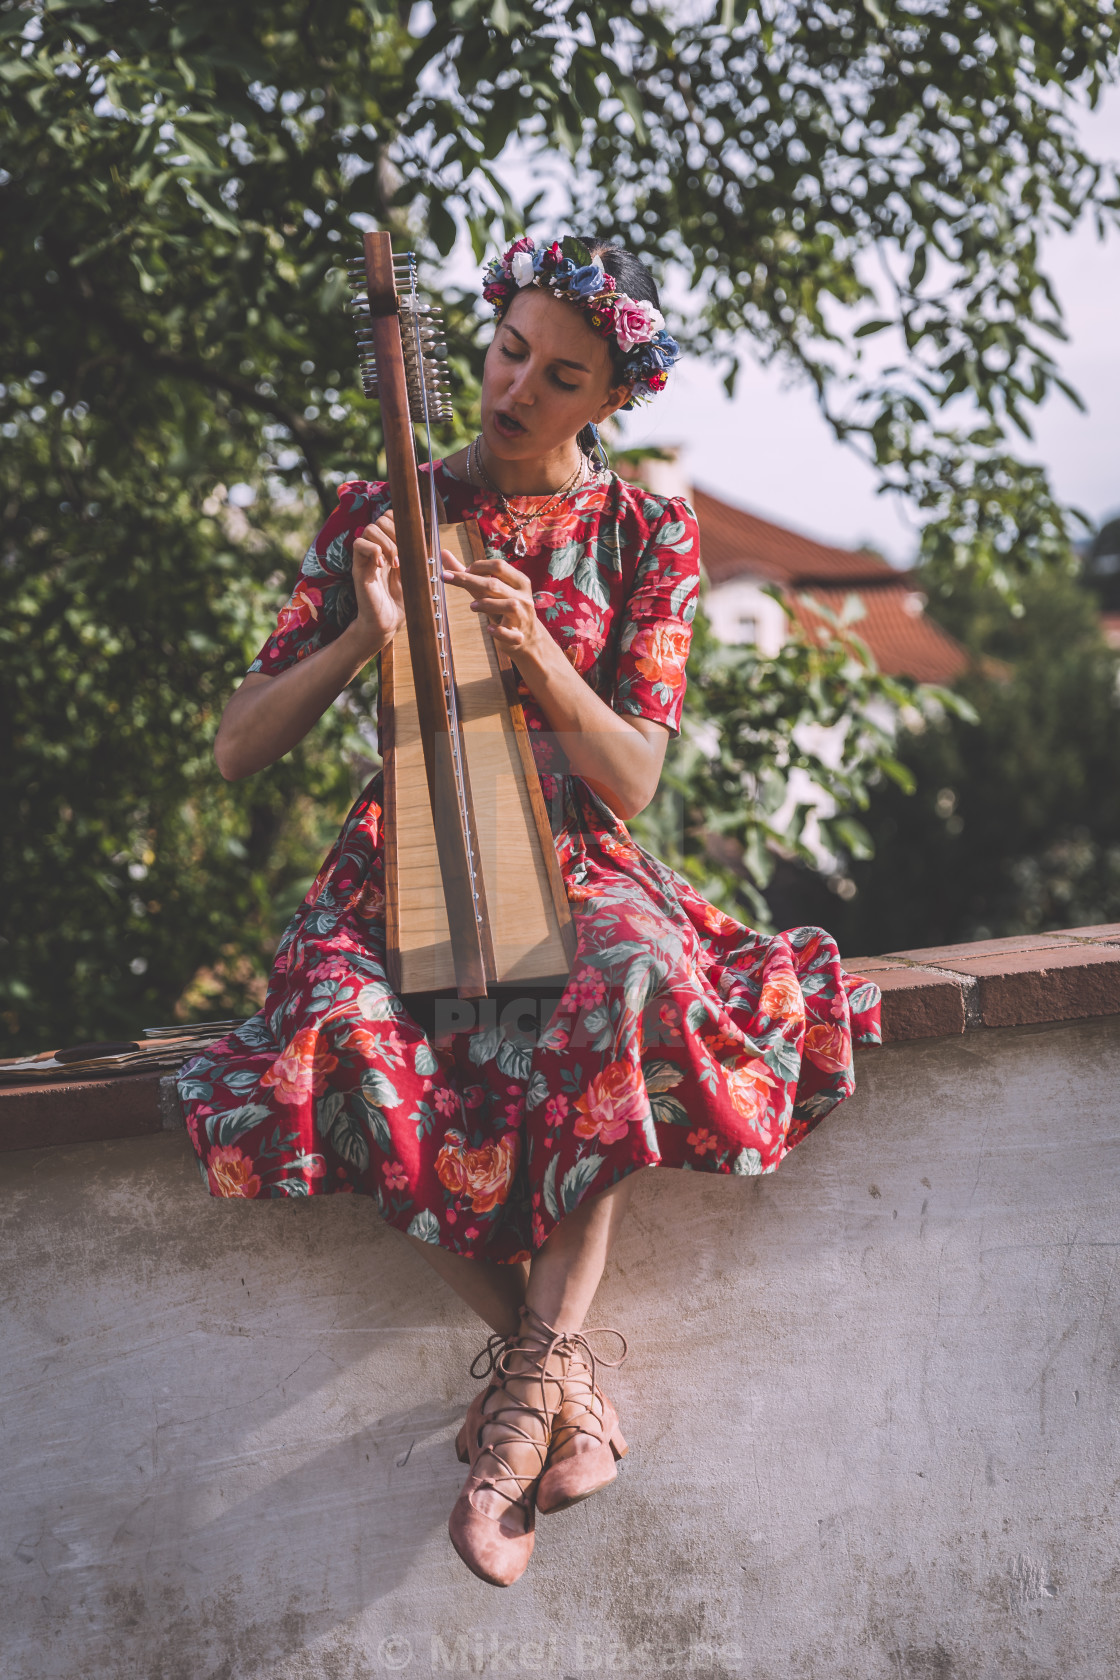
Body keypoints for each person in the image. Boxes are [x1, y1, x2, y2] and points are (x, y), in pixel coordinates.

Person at [177, 235, 881, 1587]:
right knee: (343, 1029)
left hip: (577, 852)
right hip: (399, 860)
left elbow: (633, 772)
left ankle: (520, 1409)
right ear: (478, 340)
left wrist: (540, 647)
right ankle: (560, 1391)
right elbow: (235, 746)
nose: (513, 392)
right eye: (506, 353)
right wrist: (360, 636)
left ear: (610, 403)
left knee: (618, 981)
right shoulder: (374, 510)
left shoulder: (646, 536)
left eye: (559, 378)